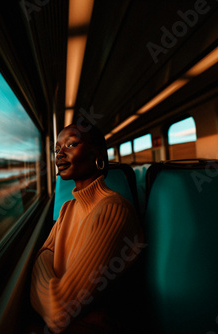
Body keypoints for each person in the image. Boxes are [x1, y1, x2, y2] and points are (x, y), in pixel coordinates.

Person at [29, 122, 144, 333]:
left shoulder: (114, 210)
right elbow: (41, 255)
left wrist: (43, 265)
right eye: (56, 149)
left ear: (98, 154)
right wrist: (44, 259)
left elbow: (59, 311)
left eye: (71, 144)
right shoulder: (67, 209)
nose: (60, 154)